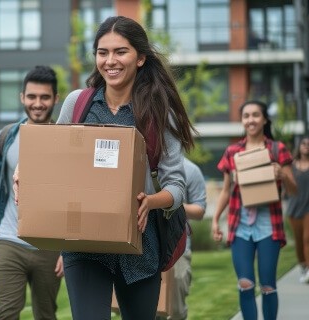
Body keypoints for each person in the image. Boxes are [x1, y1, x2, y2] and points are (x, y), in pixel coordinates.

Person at [53, 16, 195, 319]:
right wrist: (23, 173)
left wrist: (151, 201)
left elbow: (177, 187)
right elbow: (53, 159)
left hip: (140, 246)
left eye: (121, 51)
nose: (110, 61)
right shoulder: (77, 104)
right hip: (85, 242)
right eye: (103, 52)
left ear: (140, 58)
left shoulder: (159, 113)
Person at [0, 65, 64, 320]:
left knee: (46, 315)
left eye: (45, 97)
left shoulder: (66, 140)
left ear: (56, 99)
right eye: (32, 97)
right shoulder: (5, 138)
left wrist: (68, 251)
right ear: (22, 97)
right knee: (6, 315)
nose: (38, 103)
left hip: (49, 247)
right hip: (10, 240)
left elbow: (73, 198)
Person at [212, 100, 297, 320]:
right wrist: (215, 220)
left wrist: (283, 175)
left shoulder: (277, 149)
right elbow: (226, 190)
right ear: (242, 120)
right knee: (245, 283)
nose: (251, 120)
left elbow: (294, 190)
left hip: (269, 225)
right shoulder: (233, 152)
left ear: (265, 119)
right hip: (240, 226)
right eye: (246, 116)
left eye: (256, 115)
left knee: (268, 285)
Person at [158, 157, 207, 320]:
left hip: (178, 248)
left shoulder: (191, 170)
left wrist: (171, 200)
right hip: (147, 247)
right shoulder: (145, 164)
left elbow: (200, 210)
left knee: (176, 311)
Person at [286, 136, 309, 283]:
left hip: (308, 208)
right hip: (294, 209)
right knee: (299, 242)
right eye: (304, 144)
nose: (306, 146)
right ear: (299, 147)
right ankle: (303, 266)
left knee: (308, 238)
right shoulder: (291, 166)